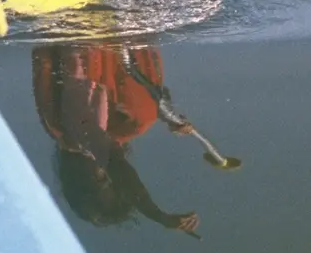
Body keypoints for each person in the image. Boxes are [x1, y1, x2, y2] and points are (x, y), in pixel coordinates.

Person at [32, 41, 201, 235]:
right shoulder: (126, 128)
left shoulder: (74, 136)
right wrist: (165, 113)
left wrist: (156, 214)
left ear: (77, 178)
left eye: (101, 180)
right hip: (116, 34)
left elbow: (115, 163)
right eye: (111, 180)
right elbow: (145, 86)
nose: (107, 172)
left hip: (86, 35)